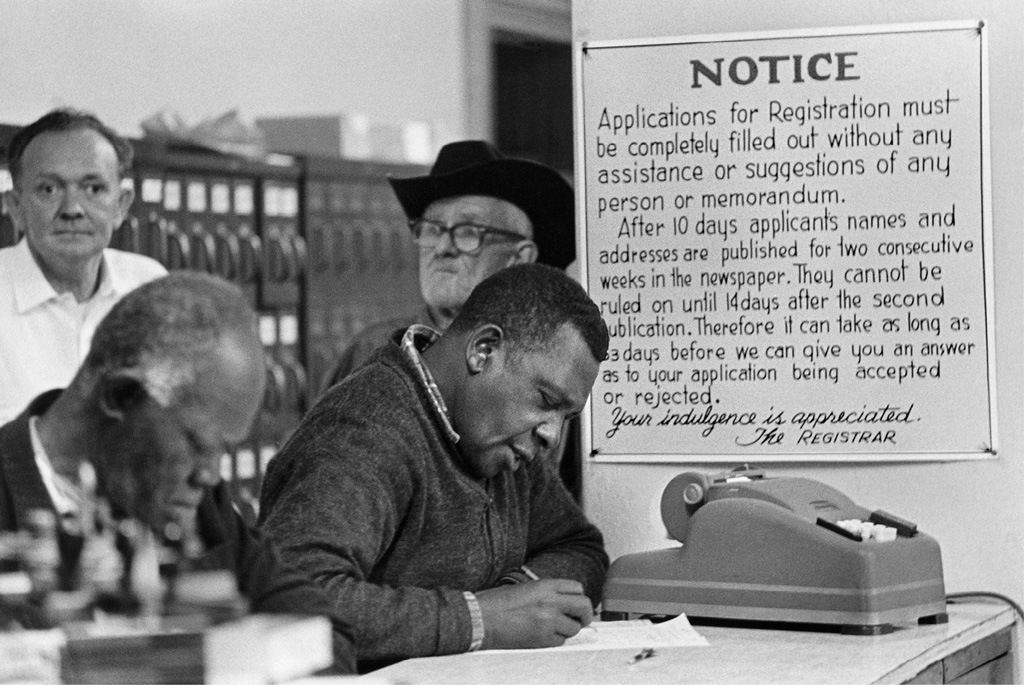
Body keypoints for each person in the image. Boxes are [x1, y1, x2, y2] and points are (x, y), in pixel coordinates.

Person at [0, 272, 356, 674]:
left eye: (222, 451)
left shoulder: (203, 507)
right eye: (198, 445)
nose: (210, 474)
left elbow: (324, 634)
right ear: (120, 395)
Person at [259, 263, 609, 669]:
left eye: (566, 416)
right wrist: (479, 618)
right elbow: (289, 601)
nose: (551, 433)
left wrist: (518, 595)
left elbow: (580, 547)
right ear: (484, 351)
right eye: (547, 401)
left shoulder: (504, 443)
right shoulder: (368, 431)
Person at [319, 139, 575, 390]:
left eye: (467, 231)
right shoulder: (371, 354)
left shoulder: (551, 363)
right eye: (432, 229)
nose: (442, 248)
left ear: (519, 258)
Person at [0, 108, 167, 423]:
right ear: (16, 208)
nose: (72, 209)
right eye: (49, 189)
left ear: (121, 205)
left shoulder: (150, 288)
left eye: (94, 189)